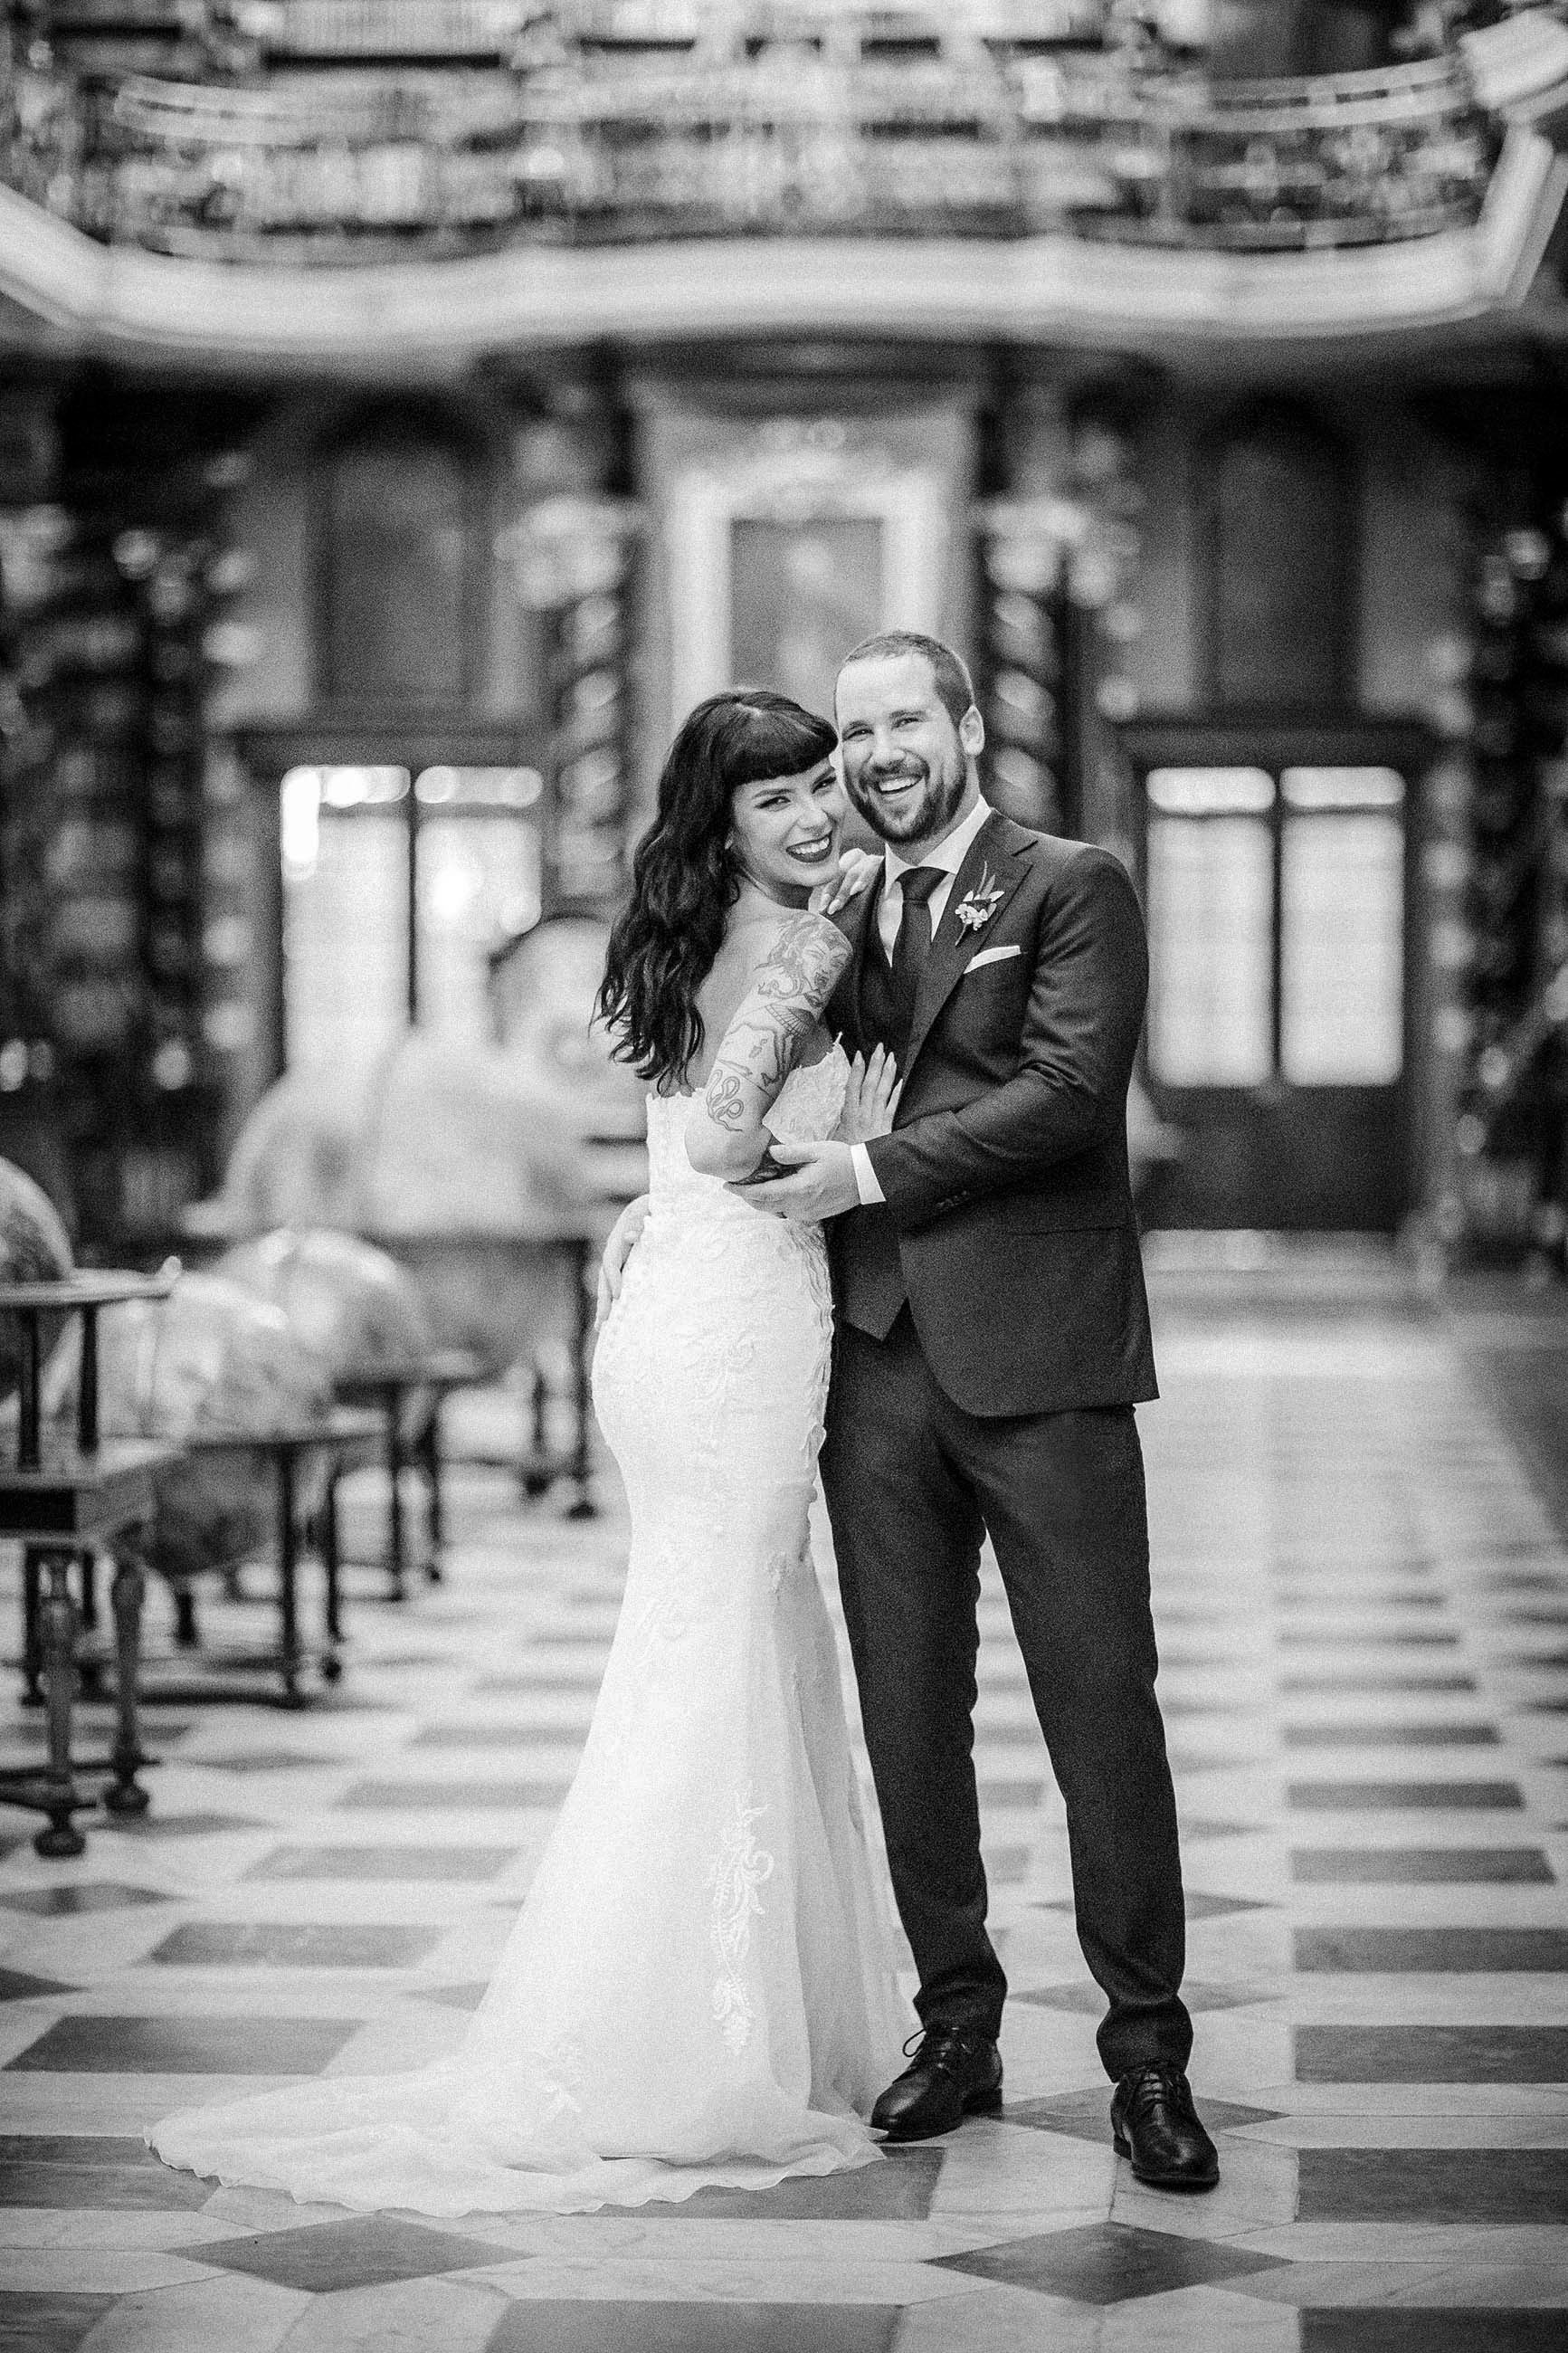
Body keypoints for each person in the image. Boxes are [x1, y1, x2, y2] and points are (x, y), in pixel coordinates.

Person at [147, 689, 912, 2215]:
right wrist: (850, 1111)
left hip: (687, 1306)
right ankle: (686, 2041)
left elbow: (676, 1146)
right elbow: (721, 1140)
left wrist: (657, 1205)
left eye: (820, 786)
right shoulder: (800, 941)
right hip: (732, 1327)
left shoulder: (682, 936)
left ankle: (735, 2012)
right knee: (725, 1645)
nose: (812, 815)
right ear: (719, 822)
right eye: (772, 798)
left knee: (721, 1640)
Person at [602, 634, 1218, 2192]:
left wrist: (863, 1172)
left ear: (963, 726)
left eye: (899, 724)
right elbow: (738, 1084)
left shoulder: (1069, 884)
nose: (874, 756)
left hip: (1044, 1359)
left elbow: (1067, 1095)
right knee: (907, 1715)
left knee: (1100, 1708)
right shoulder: (840, 905)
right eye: (851, 734)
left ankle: (1148, 2057)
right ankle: (955, 2025)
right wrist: (664, 1197)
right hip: (871, 1361)